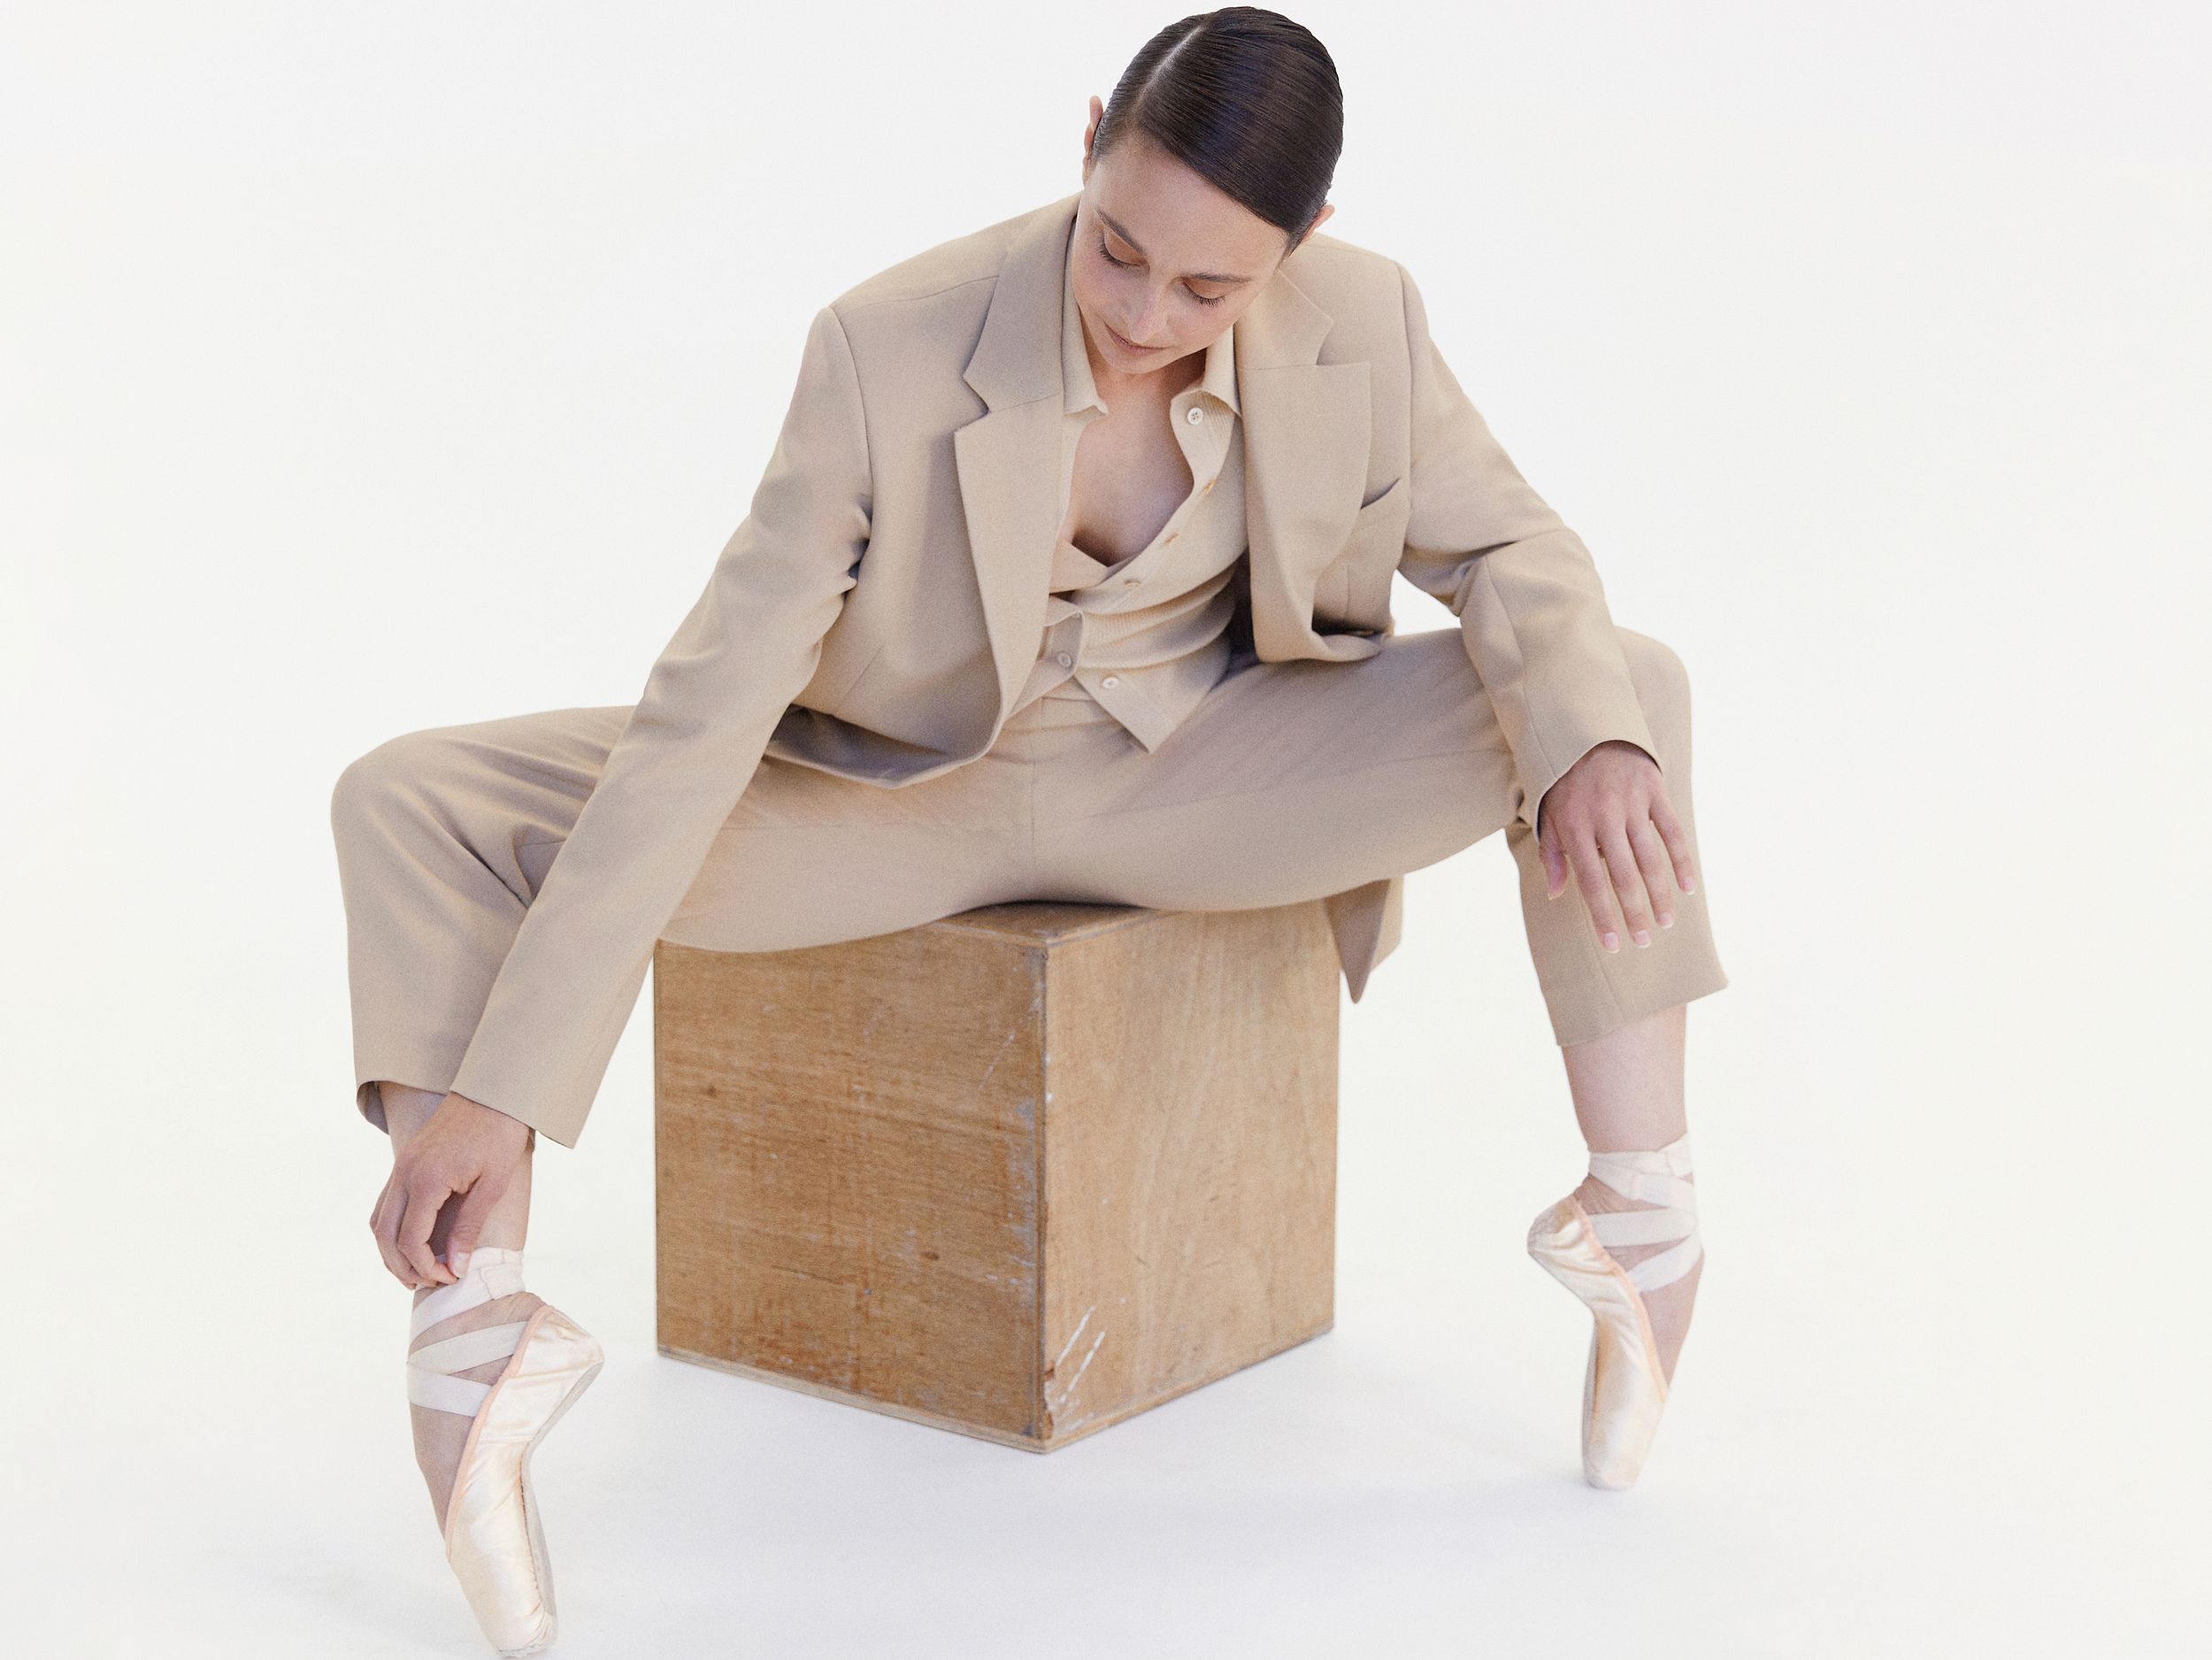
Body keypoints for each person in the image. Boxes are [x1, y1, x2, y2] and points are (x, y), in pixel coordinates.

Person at [333, 8, 1727, 1650]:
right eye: (1118, 249)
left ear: (1307, 245)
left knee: (1612, 692)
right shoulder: (888, 343)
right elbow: (709, 705)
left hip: (1218, 779)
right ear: (1087, 141)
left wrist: (1595, 740)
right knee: (411, 797)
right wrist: (508, 1089)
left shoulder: (1370, 317)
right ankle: (478, 1337)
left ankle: (1641, 1213)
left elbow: (1511, 551)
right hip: (901, 800)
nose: (1146, 316)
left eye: (1210, 288)